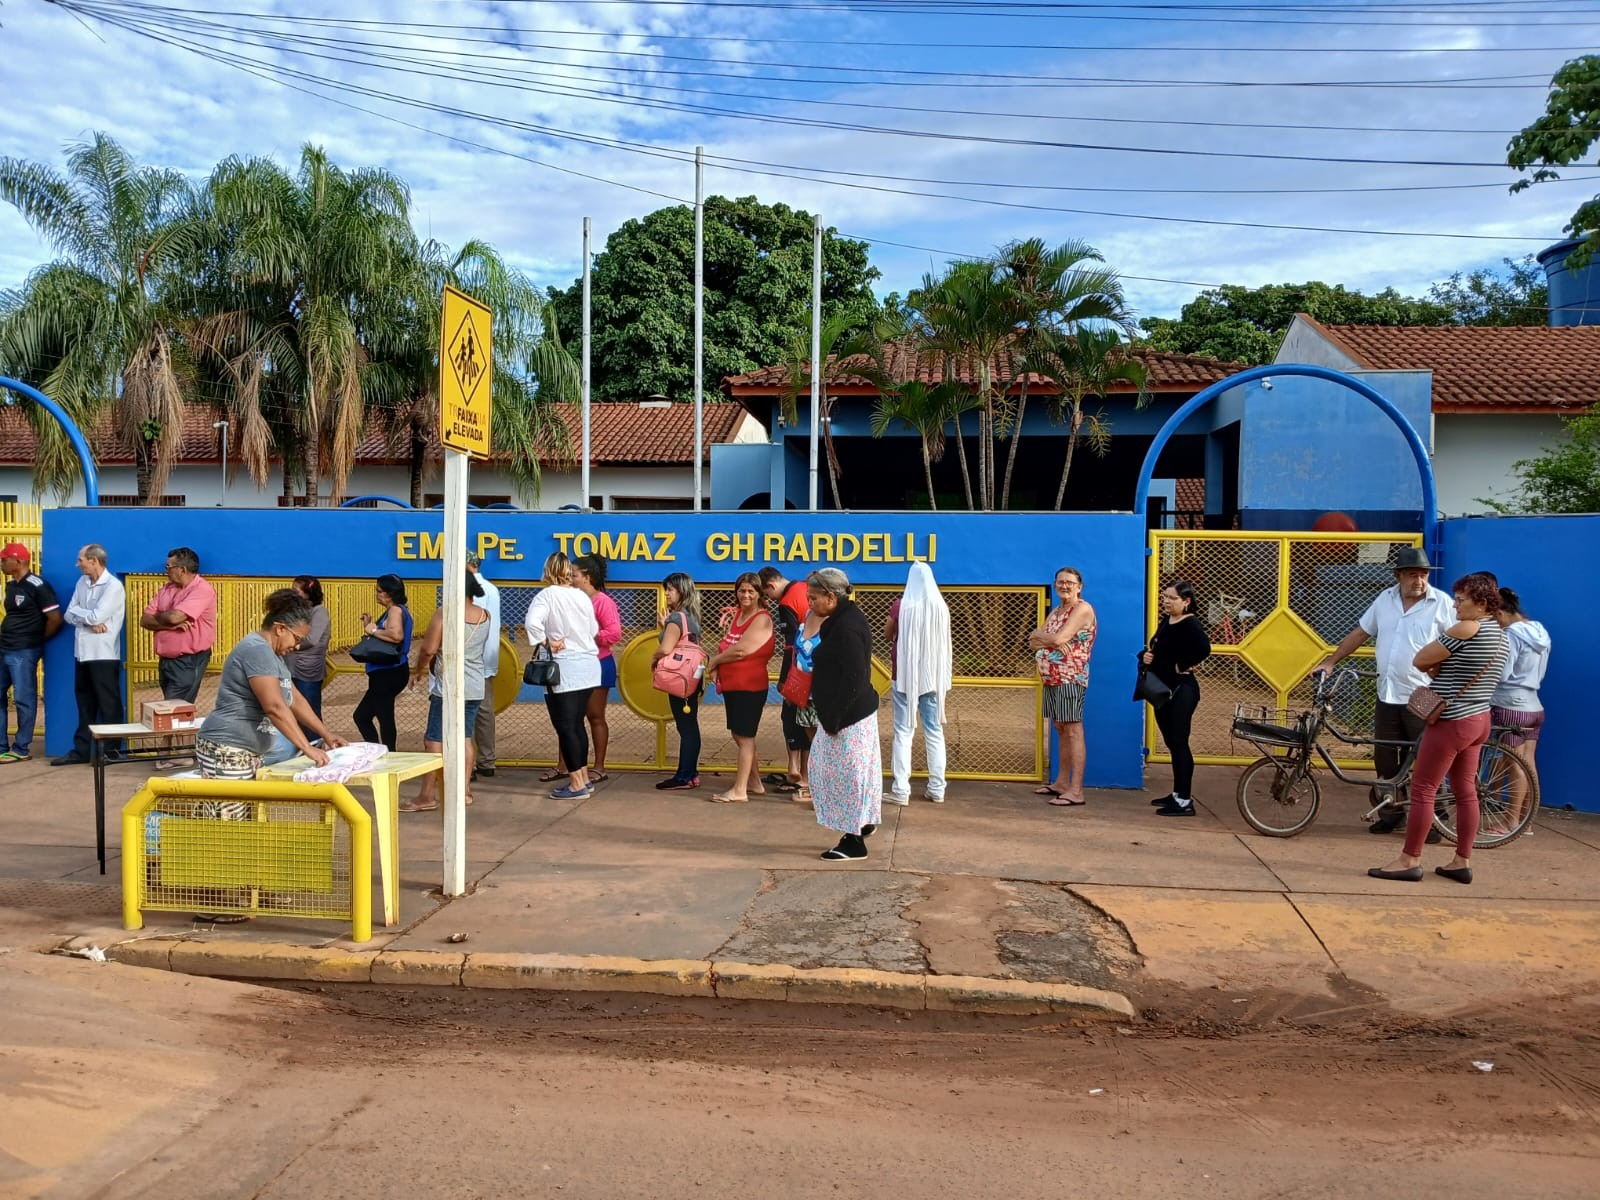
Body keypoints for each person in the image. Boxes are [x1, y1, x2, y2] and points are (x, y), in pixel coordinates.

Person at [1368, 572, 1508, 886]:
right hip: (1479, 719)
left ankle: (1409, 860)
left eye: (1461, 600)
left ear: (1481, 604)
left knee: (1423, 788)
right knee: (1466, 791)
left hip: (1452, 721)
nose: (1455, 606)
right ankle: (1461, 861)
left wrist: (1437, 663)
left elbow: (1420, 659)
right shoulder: (1499, 634)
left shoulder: (1467, 628)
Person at [1317, 546, 1455, 836]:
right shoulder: (1384, 599)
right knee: (1385, 758)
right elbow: (1361, 632)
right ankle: (1391, 814)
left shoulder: (1442, 603)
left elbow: (1457, 644)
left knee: (1427, 759)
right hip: (1388, 692)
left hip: (1424, 694)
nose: (1419, 581)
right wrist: (1331, 662)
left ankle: (1435, 820)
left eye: (1424, 574)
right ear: (1398, 576)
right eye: (1413, 575)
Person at [196, 589, 345, 780]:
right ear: (280, 629)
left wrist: (326, 734)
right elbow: (275, 706)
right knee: (234, 803)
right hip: (228, 748)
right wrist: (306, 748)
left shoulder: (273, 655)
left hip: (251, 749)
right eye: (297, 639)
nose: (297, 646)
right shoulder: (257, 650)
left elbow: (295, 699)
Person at [806, 568, 882, 861]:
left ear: (830, 596)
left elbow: (855, 676)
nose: (810, 603)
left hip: (848, 717)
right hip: (847, 714)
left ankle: (854, 840)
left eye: (814, 598)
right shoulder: (840, 621)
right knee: (851, 773)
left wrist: (835, 717)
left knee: (847, 776)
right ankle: (862, 822)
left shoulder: (847, 627)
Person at [403, 569, 493, 813]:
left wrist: (418, 671)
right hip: (474, 685)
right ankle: (463, 792)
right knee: (464, 737)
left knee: (434, 739)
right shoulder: (485, 615)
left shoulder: (444, 613)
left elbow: (429, 649)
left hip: (450, 687)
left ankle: (427, 795)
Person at [525, 552, 600, 800]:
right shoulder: (581, 596)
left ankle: (576, 783)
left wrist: (546, 641)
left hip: (565, 667)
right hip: (588, 666)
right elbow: (593, 628)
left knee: (566, 727)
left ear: (548, 571)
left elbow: (532, 623)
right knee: (577, 724)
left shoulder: (546, 596)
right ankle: (584, 778)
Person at [705, 571, 776, 804]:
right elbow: (728, 644)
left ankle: (740, 789)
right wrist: (718, 665)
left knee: (745, 738)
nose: (745, 595)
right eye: (742, 590)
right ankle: (754, 782)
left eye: (750, 591)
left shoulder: (761, 619)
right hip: (733, 685)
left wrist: (715, 662)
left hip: (750, 686)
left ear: (759, 593)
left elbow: (741, 650)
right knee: (738, 734)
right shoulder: (738, 615)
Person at [1029, 566, 1096, 807]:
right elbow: (1032, 641)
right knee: (1060, 727)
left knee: (1073, 729)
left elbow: (1056, 638)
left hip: (1070, 678)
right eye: (1060, 582)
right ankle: (1061, 783)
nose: (1064, 586)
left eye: (1069, 582)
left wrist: (1048, 639)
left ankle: (1076, 790)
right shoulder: (1057, 611)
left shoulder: (1082, 609)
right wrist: (1049, 641)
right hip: (1052, 678)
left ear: (1079, 586)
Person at [52, 543, 125, 766]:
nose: (78, 564)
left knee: (108, 704)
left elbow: (96, 616)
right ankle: (81, 750)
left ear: (94, 561)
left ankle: (110, 752)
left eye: (81, 560)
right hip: (82, 652)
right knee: (84, 703)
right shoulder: (82, 582)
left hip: (103, 654)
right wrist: (88, 621)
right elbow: (69, 614)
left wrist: (84, 617)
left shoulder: (113, 586)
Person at [1142, 579, 1211, 817]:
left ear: (1186, 601)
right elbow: (1158, 647)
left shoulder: (1190, 623)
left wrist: (1182, 665)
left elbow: (1204, 649)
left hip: (1182, 691)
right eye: (1165, 597)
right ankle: (1177, 793)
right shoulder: (1167, 621)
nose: (1167, 601)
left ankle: (1184, 800)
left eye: (1172, 598)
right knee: (1172, 742)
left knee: (1180, 742)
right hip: (1162, 689)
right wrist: (1146, 656)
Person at [886, 562, 952, 806]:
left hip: (904, 677)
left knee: (903, 732)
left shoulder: (901, 606)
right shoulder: (941, 607)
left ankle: (901, 790)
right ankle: (937, 788)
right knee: (934, 731)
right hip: (933, 678)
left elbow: (887, 633)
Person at [1490, 586, 1550, 834]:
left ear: (1500, 613)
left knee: (1513, 763)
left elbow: (1502, 673)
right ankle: (1526, 820)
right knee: (1528, 763)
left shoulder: (1510, 635)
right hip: (1533, 705)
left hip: (1510, 706)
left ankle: (1510, 821)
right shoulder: (1539, 630)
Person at [0, 542, 62, 764]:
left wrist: (36, 639)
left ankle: (21, 748)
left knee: (23, 699)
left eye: (4, 560)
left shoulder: (38, 586)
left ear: (18, 561)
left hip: (24, 650)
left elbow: (55, 619)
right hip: (5, 647)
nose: (1, 563)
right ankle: (1, 746)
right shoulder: (11, 586)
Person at [760, 566, 814, 793]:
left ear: (771, 586)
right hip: (815, 667)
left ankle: (798, 771)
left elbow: (791, 646)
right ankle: (803, 773)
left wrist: (784, 680)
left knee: (791, 718)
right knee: (808, 722)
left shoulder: (786, 603)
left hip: (801, 670)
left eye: (767, 594)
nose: (770, 600)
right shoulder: (805, 588)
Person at [138, 546, 216, 704]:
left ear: (182, 569)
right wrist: (168, 626)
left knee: (173, 708)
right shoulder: (167, 589)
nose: (166, 570)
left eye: (168, 566)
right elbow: (144, 620)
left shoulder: (202, 589)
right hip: (166, 661)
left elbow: (174, 617)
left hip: (188, 661)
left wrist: (160, 617)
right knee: (173, 707)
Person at [572, 555, 622, 782]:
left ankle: (599, 767)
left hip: (599, 664)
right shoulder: (572, 599)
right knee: (570, 718)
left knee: (595, 715)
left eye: (574, 574)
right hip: (575, 664)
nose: (570, 578)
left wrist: (589, 634)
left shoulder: (602, 602)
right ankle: (567, 765)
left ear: (587, 577)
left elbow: (614, 633)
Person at [652, 571, 704, 791]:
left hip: (678, 677)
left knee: (686, 727)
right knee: (690, 724)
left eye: (670, 590)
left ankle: (683, 776)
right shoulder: (692, 618)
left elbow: (666, 649)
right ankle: (691, 773)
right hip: (692, 676)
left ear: (682, 591)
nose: (667, 594)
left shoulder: (676, 618)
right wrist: (664, 627)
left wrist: (654, 658)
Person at [352, 574, 412, 752]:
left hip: (388, 672)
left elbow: (396, 635)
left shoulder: (395, 610)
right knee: (363, 716)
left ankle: (387, 754)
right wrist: (371, 626)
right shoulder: (397, 610)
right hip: (389, 672)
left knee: (382, 717)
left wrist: (373, 630)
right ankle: (380, 751)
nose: (376, 594)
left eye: (379, 591)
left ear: (389, 593)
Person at [466, 555, 501, 780]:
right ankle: (487, 761)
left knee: (465, 712)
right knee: (485, 712)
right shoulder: (492, 589)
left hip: (469, 659)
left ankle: (466, 765)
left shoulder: (467, 588)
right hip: (486, 658)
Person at [283, 575, 330, 720]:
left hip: (307, 670)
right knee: (293, 712)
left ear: (308, 593)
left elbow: (311, 639)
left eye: (296, 591)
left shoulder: (319, 612)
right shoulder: (297, 611)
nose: (292, 594)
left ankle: (314, 735)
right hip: (290, 668)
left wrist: (292, 645)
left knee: (309, 713)